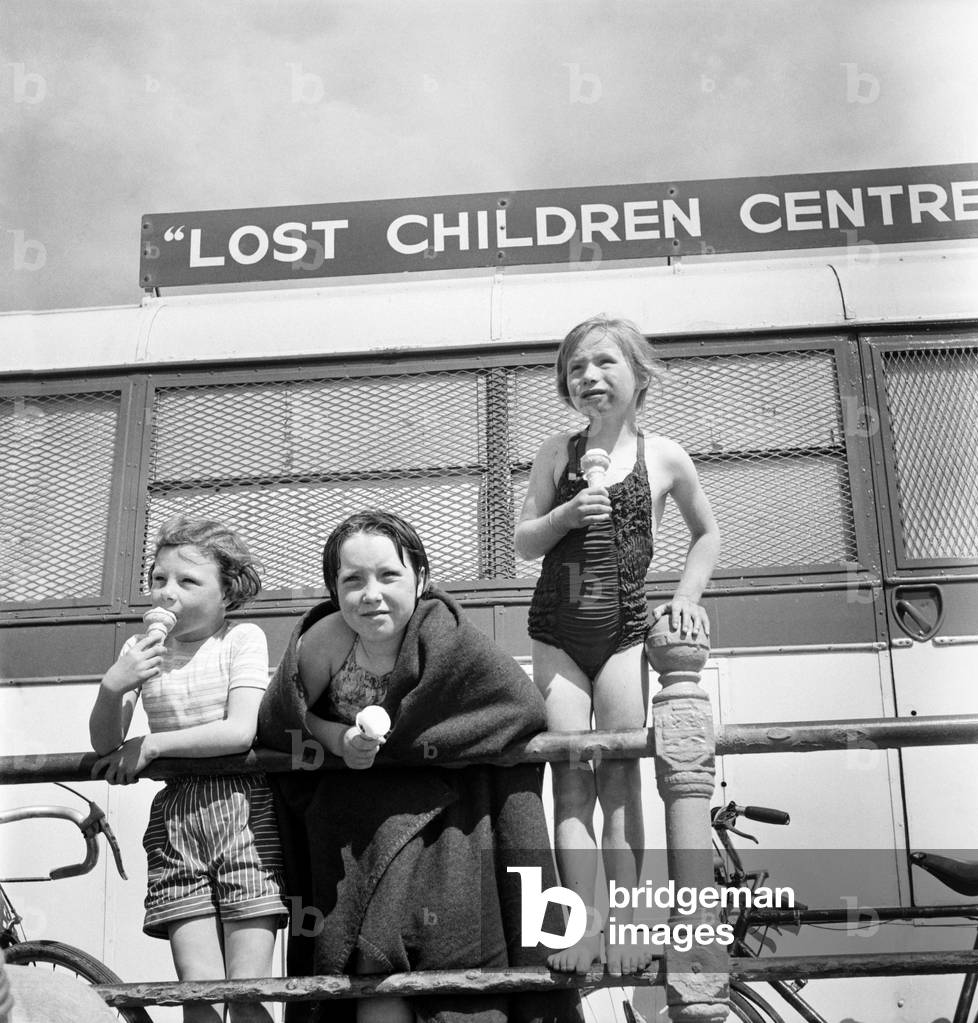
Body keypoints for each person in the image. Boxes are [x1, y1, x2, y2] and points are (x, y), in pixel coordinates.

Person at [257, 510, 581, 1023]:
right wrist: (339, 740)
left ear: (421, 579)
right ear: (333, 589)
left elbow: (517, 710)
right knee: (367, 977)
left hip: (445, 826)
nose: (371, 594)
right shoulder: (324, 643)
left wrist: (407, 745)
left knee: (449, 969)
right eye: (352, 580)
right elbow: (282, 725)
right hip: (352, 832)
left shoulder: (447, 637)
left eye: (389, 575)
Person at [514, 315, 720, 977]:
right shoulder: (557, 452)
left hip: (624, 631)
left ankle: (629, 914)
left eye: (604, 363)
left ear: (640, 376)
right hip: (558, 634)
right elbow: (524, 542)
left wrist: (686, 596)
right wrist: (564, 516)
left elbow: (705, 533)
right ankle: (584, 920)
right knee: (570, 779)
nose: (589, 376)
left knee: (622, 779)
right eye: (576, 368)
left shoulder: (663, 456)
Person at [89, 516, 287, 1023]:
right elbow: (106, 743)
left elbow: (239, 730)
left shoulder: (240, 639)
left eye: (187, 581)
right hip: (177, 815)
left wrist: (154, 744)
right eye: (158, 580)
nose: (167, 592)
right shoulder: (140, 651)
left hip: (244, 809)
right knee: (196, 992)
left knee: (249, 990)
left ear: (228, 592)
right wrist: (114, 687)